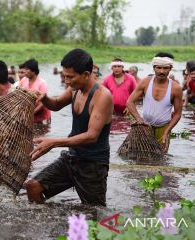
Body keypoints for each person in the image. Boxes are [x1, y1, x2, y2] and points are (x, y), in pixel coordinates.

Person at [25, 49, 113, 206]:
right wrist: (43, 98)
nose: (66, 81)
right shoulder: (75, 89)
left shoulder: (102, 96)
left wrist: (53, 142)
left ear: (86, 74)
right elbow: (57, 104)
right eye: (64, 75)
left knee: (94, 212)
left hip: (93, 165)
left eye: (70, 77)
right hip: (72, 158)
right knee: (33, 187)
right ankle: (52, 224)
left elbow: (92, 136)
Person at [126, 52, 183, 152]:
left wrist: (167, 131)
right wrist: (139, 119)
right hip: (145, 126)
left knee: (161, 156)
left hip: (163, 127)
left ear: (170, 69)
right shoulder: (145, 82)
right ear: (154, 68)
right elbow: (130, 102)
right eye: (159, 68)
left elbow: (178, 113)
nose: (162, 71)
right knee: (143, 154)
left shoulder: (175, 88)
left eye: (165, 68)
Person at [19, 59, 51, 124]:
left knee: (43, 132)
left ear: (33, 71)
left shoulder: (42, 83)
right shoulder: (23, 80)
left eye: (27, 69)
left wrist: (32, 113)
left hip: (42, 116)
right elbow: (19, 94)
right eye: (24, 69)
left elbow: (43, 103)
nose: (25, 71)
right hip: (29, 116)